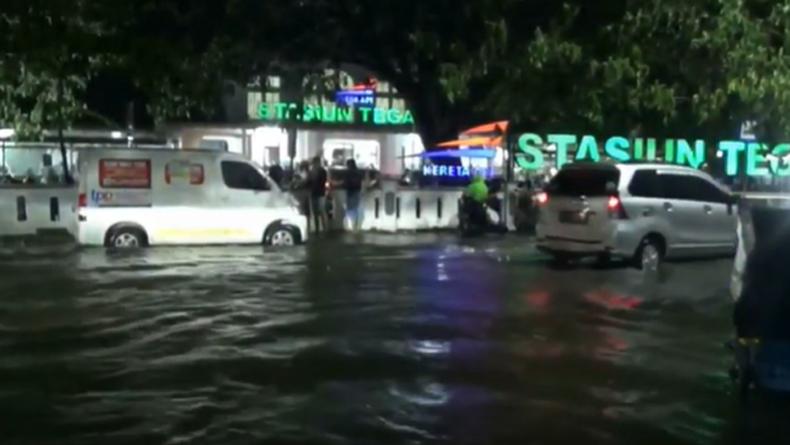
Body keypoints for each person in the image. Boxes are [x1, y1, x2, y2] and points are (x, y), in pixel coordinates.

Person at [307, 156, 328, 233]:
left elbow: (309, 182)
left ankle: (319, 229)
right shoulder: (321, 171)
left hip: (316, 193)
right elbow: (324, 181)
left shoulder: (314, 171)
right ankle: (321, 229)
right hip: (319, 193)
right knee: (319, 212)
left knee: (318, 212)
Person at [343, 159, 365, 232]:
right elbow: (362, 182)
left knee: (350, 209)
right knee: (355, 209)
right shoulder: (358, 172)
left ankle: (351, 227)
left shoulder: (348, 172)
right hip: (357, 191)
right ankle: (355, 227)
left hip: (350, 192)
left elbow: (345, 183)